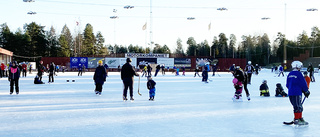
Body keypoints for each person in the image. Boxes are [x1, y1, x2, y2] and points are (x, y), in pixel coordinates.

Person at [286, 61, 310, 125]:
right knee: (298, 106)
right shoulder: (299, 74)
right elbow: (303, 83)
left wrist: (291, 89)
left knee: (296, 105)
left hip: (291, 93)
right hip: (297, 93)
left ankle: (299, 118)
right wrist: (306, 91)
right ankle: (297, 119)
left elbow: (287, 85)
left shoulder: (290, 74)